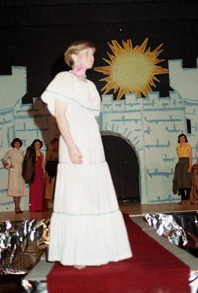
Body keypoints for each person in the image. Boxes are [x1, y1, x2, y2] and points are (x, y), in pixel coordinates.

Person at [41, 40, 132, 269]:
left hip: (91, 139)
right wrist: (71, 145)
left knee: (93, 189)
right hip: (75, 137)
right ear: (73, 56)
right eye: (86, 53)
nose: (91, 57)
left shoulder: (90, 85)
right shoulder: (63, 79)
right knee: (77, 191)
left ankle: (100, 249)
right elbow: (61, 116)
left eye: (93, 53)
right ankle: (78, 254)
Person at [2, 138, 26, 213]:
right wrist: (8, 166)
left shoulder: (22, 152)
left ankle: (19, 207)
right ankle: (16, 208)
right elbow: (4, 159)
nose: (17, 144)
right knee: (15, 189)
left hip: (21, 171)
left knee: (20, 189)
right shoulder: (11, 151)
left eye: (18, 143)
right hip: (14, 172)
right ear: (13, 144)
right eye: (16, 143)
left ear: (20, 144)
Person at [172, 134, 192, 203]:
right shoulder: (178, 147)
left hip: (186, 163)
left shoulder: (188, 147)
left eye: (183, 138)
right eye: (181, 138)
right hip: (180, 163)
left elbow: (190, 158)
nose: (182, 139)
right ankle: (183, 198)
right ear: (179, 139)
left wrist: (189, 167)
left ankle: (188, 198)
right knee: (180, 181)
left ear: (185, 139)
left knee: (187, 181)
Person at [29, 139, 46, 212]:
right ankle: (34, 207)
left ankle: (40, 207)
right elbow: (29, 164)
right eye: (36, 144)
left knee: (40, 190)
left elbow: (43, 163)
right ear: (33, 145)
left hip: (40, 172)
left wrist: (44, 172)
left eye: (38, 144)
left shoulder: (42, 153)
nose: (37, 145)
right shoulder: (31, 153)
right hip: (33, 172)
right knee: (33, 190)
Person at [44, 137, 59, 207]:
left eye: (57, 144)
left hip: (59, 172)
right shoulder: (50, 151)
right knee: (51, 189)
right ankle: (51, 205)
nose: (56, 145)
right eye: (54, 144)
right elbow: (47, 161)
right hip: (51, 172)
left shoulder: (62, 151)